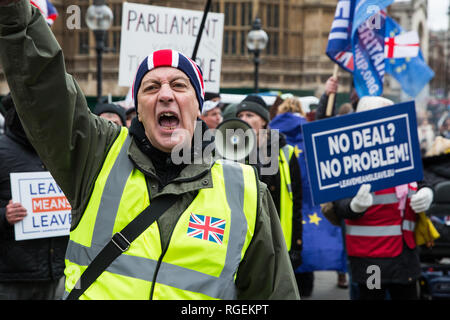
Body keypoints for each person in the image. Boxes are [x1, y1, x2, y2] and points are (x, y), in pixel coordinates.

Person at [0, 0, 299, 300]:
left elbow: (274, 292)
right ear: (138, 111)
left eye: (179, 85)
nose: (166, 94)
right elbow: (45, 87)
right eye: (151, 87)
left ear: (199, 107)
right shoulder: (97, 155)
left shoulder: (245, 190)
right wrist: (14, 13)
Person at [333, 96, 434, 300]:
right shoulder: (349, 157)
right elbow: (338, 206)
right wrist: (354, 205)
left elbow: (421, 181)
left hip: (404, 255)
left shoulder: (403, 151)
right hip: (370, 257)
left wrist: (426, 193)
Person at [0, 93, 68, 300]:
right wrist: (4, 215)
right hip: (11, 279)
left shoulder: (61, 151)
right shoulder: (2, 151)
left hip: (57, 274)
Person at [235, 95, 303, 273]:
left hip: (276, 238)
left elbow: (296, 202)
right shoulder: (231, 152)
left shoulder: (285, 153)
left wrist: (296, 244)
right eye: (240, 116)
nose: (244, 120)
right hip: (242, 238)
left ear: (264, 121)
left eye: (250, 115)